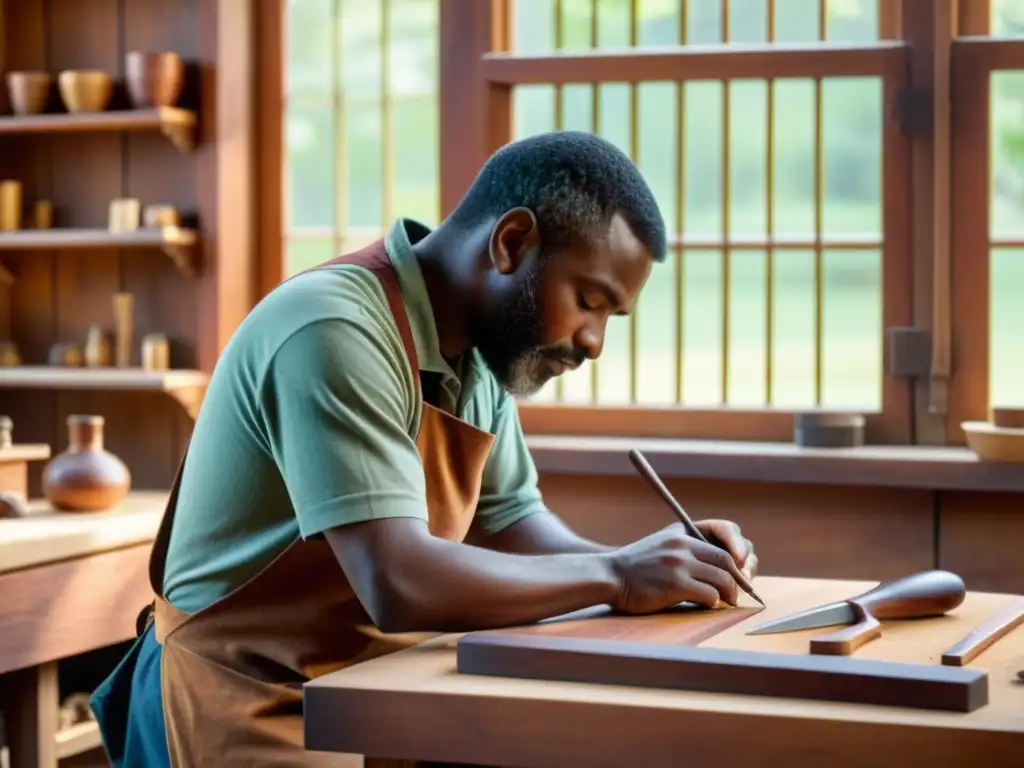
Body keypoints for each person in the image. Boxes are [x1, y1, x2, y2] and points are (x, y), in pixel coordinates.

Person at [89, 130, 759, 767]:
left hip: (374, 690)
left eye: (611, 318)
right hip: (239, 693)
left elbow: (513, 528)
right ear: (512, 242)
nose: (593, 342)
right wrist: (618, 577)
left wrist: (664, 566)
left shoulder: (479, 360)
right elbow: (398, 581)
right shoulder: (336, 329)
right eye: (589, 301)